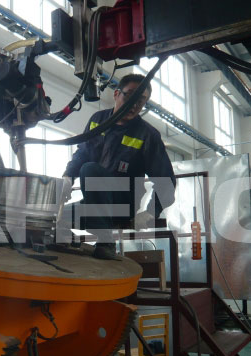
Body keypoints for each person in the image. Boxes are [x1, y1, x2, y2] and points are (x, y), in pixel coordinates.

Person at [58, 74, 176, 259]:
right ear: (116, 94)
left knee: (90, 169)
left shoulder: (147, 135)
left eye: (141, 100)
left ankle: (106, 242)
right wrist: (67, 177)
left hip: (123, 204)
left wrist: (150, 212)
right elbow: (82, 153)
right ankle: (68, 240)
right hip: (96, 203)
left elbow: (166, 181)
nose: (134, 104)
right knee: (55, 216)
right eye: (129, 96)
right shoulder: (98, 120)